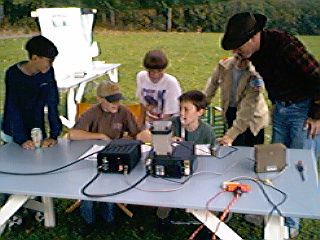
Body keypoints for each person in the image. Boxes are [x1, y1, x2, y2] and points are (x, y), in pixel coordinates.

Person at [222, 12, 320, 237]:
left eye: (238, 46)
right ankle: (271, 210)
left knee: (298, 167)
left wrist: (317, 115)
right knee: (274, 163)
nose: (236, 51)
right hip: (280, 109)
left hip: (302, 110)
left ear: (253, 37)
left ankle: (292, 223)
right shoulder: (255, 52)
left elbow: (317, 76)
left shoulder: (286, 46)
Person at [69, 80, 150, 236]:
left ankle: (109, 219)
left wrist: (155, 138)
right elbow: (73, 134)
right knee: (87, 187)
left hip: (114, 156)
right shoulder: (92, 113)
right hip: (91, 158)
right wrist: (99, 136)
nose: (116, 104)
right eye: (111, 101)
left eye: (118, 100)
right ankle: (88, 220)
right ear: (100, 99)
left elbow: (138, 132)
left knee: (111, 182)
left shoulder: (123, 112)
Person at [156, 90, 216, 236]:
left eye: (187, 109)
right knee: (165, 198)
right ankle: (163, 218)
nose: (182, 113)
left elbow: (213, 155)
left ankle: (208, 223)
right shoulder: (173, 124)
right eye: (181, 109)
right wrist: (167, 139)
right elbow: (147, 135)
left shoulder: (206, 131)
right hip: (175, 172)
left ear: (200, 112)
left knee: (209, 197)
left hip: (200, 173)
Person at [1, 35, 62, 149]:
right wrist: (22, 139)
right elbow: (12, 107)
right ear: (34, 58)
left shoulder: (48, 73)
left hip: (37, 129)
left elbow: (53, 103)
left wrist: (53, 135)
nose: (50, 65)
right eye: (48, 61)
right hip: (14, 130)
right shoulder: (13, 74)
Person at [203, 55, 269, 147]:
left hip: (252, 119)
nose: (239, 63)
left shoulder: (255, 76)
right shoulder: (223, 66)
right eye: (237, 58)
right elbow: (212, 86)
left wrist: (231, 135)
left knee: (250, 151)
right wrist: (200, 106)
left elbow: (248, 108)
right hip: (231, 110)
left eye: (245, 60)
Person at [136, 49, 182, 126]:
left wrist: (157, 124)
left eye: (159, 71)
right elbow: (143, 104)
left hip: (169, 123)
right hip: (150, 121)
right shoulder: (141, 77)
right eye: (152, 71)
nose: (155, 75)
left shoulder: (171, 82)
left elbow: (170, 112)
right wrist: (141, 123)